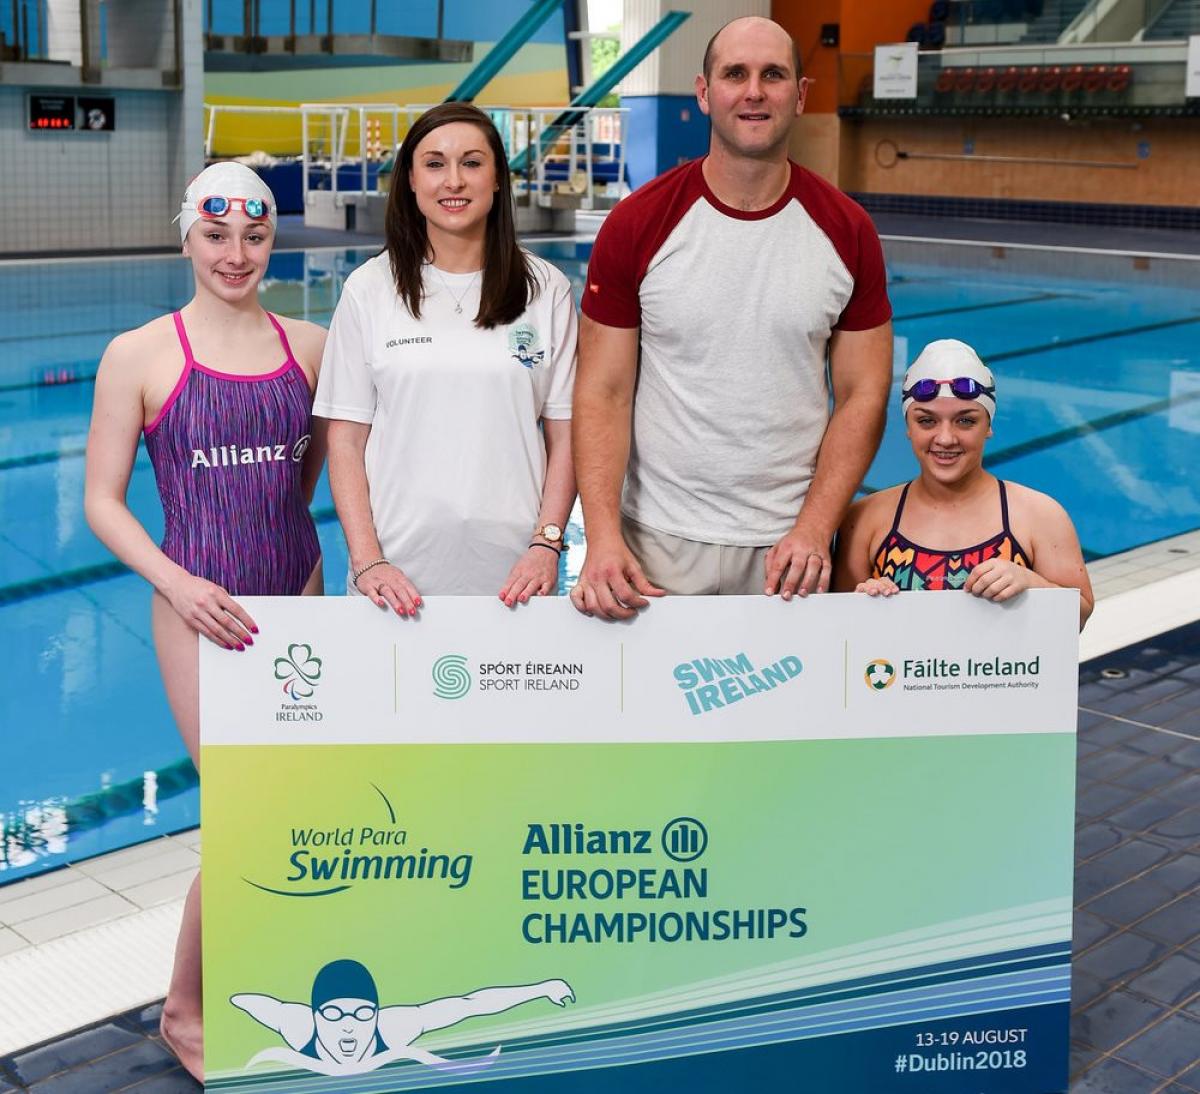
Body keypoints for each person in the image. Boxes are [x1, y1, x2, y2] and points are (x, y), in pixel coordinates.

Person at [84, 162, 328, 1080]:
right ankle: (184, 1010)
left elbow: (295, 487)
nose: (236, 254)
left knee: (291, 806)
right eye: (217, 235)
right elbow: (103, 504)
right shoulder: (140, 353)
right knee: (244, 812)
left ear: (274, 240)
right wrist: (179, 583)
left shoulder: (310, 344)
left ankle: (245, 974)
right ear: (187, 236)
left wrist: (297, 570)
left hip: (298, 599)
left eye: (255, 236)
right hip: (197, 612)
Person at [570, 15, 893, 621]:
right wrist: (602, 536)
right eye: (735, 74)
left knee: (788, 719)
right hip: (656, 542)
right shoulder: (638, 224)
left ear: (800, 95)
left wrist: (814, 528)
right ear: (703, 92)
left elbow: (863, 394)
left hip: (789, 547)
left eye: (773, 75)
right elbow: (602, 391)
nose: (753, 91)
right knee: (655, 717)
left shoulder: (847, 231)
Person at [316, 103, 577, 611]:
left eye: (472, 163)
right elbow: (344, 440)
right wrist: (368, 560)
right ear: (411, 180)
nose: (453, 181)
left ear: (498, 177)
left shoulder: (547, 290)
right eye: (434, 163)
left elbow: (565, 435)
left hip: (519, 578)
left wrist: (546, 544)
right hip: (391, 579)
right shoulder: (369, 289)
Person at [833, 339, 1094, 628]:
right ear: (908, 427)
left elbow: (1079, 617)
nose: (945, 438)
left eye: (965, 421)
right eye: (927, 421)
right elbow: (839, 634)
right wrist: (864, 602)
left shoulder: (1040, 515)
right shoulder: (865, 518)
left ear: (989, 425)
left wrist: (1032, 583)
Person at [231, 958, 574, 1076]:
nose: (348, 1025)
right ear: (317, 1016)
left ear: (377, 1015)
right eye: (334, 1014)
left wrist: (542, 988)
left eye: (362, 1013)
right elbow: (250, 1001)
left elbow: (469, 1004)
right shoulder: (296, 1025)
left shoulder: (396, 1029)